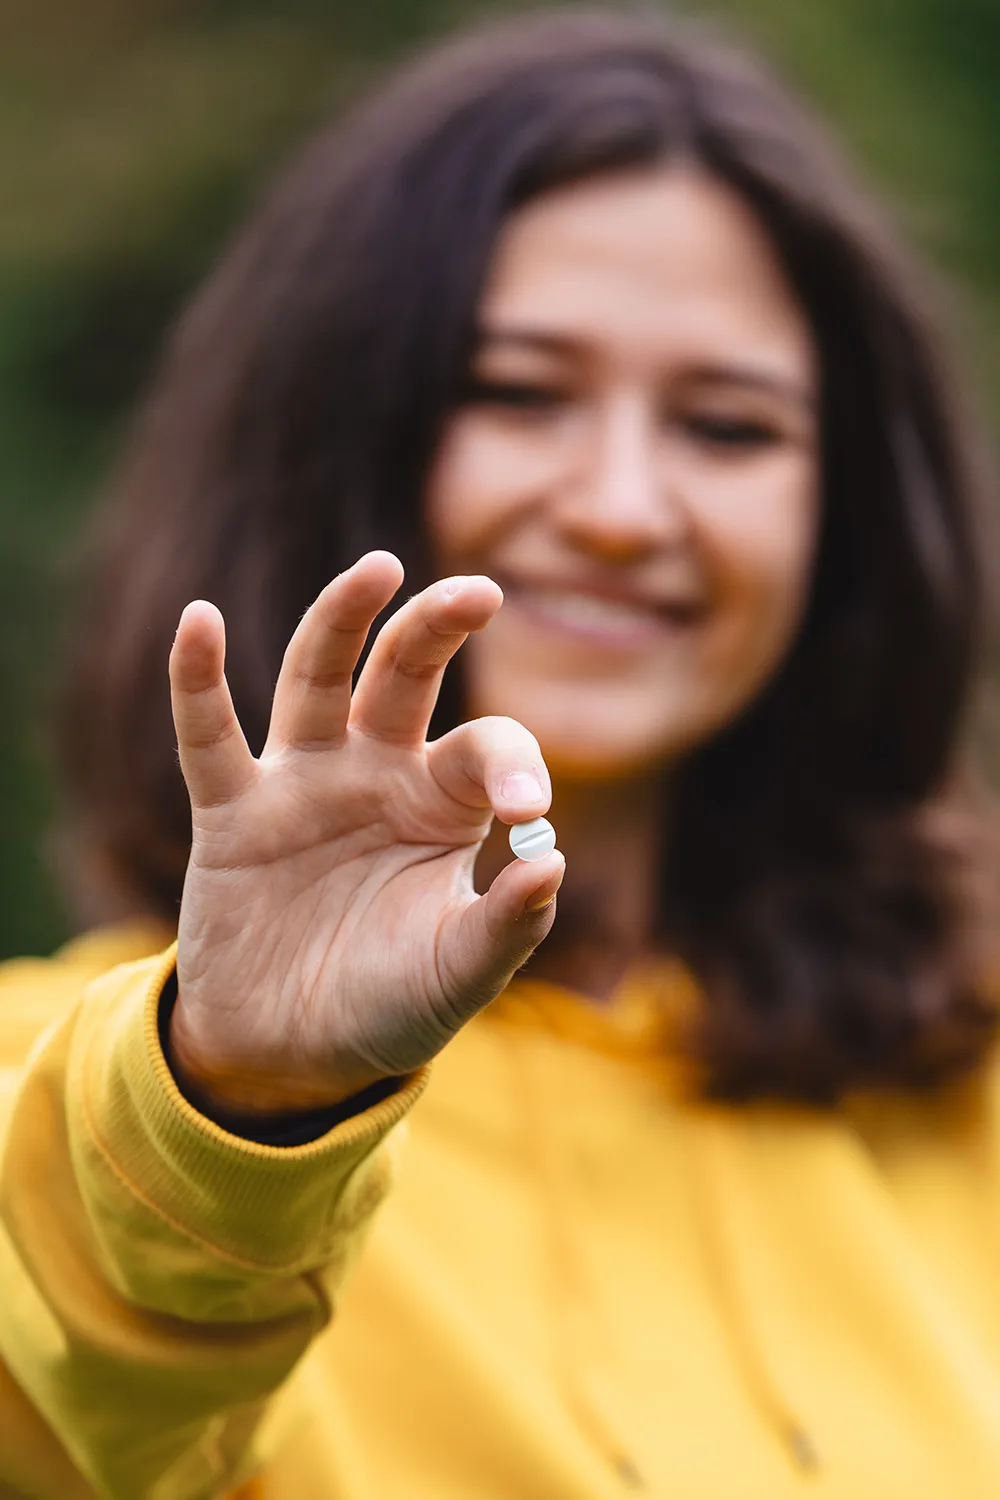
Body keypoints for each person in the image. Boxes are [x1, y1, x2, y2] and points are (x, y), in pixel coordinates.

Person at [3, 7, 1000, 1496]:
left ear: (845, 522)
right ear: (334, 439)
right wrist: (240, 1106)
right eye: (519, 394)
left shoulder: (964, 1089)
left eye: (728, 428)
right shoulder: (65, 1090)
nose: (617, 506)